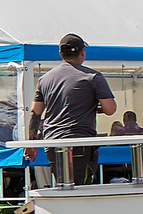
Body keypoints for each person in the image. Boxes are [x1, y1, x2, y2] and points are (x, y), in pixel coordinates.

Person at [35, 32, 114, 190]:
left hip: (52, 142)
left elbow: (35, 112)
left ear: (60, 53)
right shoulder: (92, 76)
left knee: (62, 184)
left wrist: (30, 142)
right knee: (80, 188)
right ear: (82, 52)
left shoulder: (45, 79)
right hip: (80, 140)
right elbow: (110, 109)